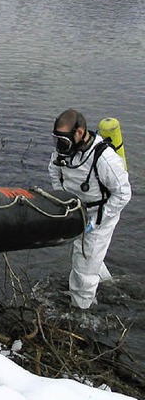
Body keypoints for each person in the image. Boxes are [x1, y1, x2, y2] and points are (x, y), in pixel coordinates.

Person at [48, 109, 131, 309]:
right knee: (80, 254)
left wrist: (96, 222)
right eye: (57, 139)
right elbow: (54, 170)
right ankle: (108, 286)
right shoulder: (63, 152)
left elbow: (123, 194)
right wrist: (64, 199)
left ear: (80, 132)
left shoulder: (104, 159)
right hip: (76, 211)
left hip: (101, 214)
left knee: (83, 269)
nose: (60, 145)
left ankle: (81, 312)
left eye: (64, 140)